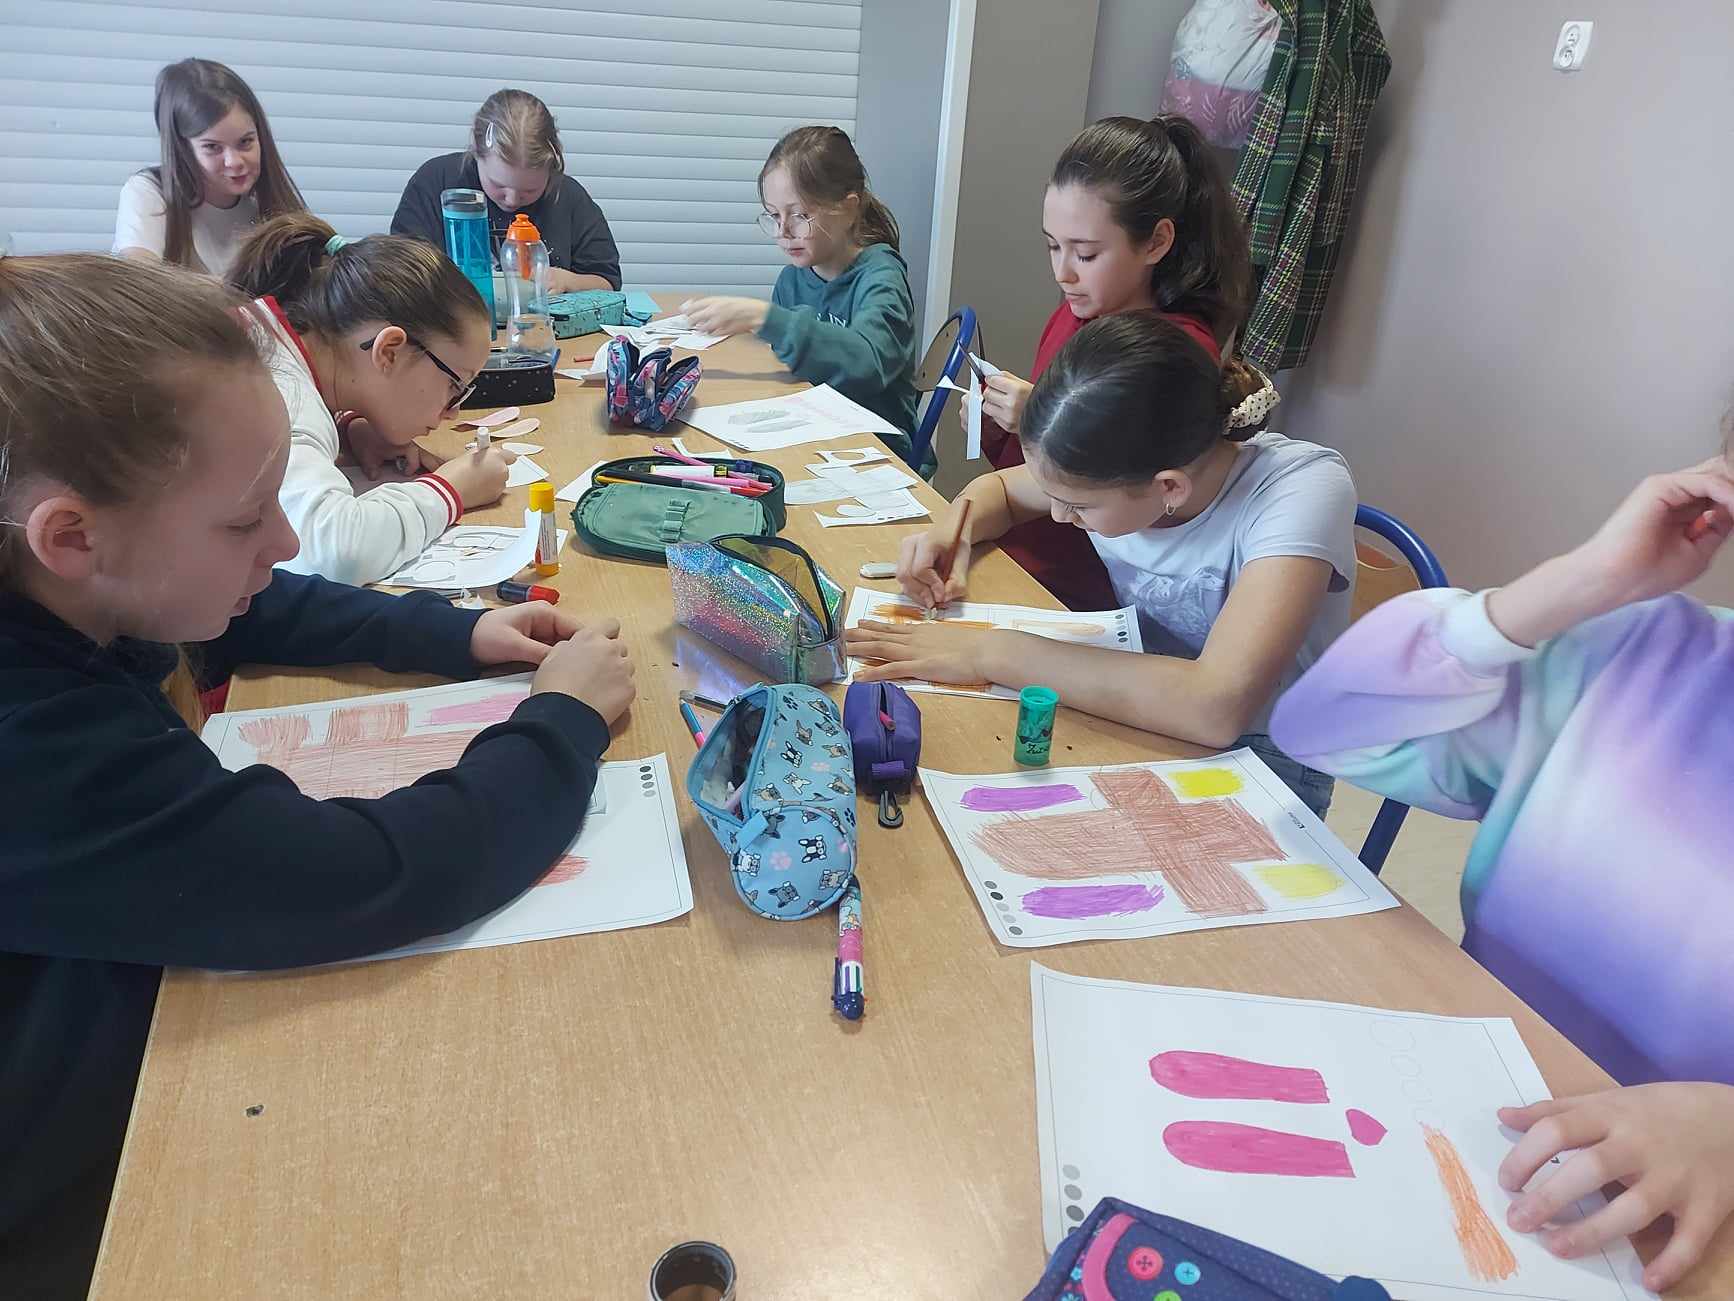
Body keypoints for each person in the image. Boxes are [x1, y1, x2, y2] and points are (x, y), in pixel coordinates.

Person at [0, 252, 636, 1297]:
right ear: (72, 535)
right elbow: (364, 873)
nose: (287, 538)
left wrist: (457, 633)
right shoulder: (32, 747)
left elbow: (259, 604)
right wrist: (561, 721)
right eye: (245, 518)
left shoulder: (71, 584)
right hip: (71, 1203)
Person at [1271, 456, 1734, 1292]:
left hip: (1665, 1240)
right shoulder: (1639, 650)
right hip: (1461, 1130)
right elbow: (1325, 727)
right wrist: (1578, 583)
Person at [847, 312, 1352, 816]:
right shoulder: (1123, 465)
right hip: (1135, 700)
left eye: (1078, 506)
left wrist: (991, 651)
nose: (1058, 515)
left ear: (1169, 487)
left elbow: (1215, 706)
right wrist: (952, 531)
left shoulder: (1301, 492)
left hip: (1264, 753)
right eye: (1054, 496)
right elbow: (1002, 489)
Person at [973, 115, 1252, 610]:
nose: (1062, 273)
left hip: (1090, 586)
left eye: (1085, 254)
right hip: (1022, 548)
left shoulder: (1176, 356)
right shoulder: (1074, 314)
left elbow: (1140, 509)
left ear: (1157, 242)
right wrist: (1001, 421)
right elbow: (1031, 476)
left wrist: (1040, 414)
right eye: (1052, 246)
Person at [229, 213, 513, 586]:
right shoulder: (277, 397)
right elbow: (333, 553)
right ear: (389, 351)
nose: (452, 412)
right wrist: (450, 491)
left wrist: (347, 430)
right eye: (454, 385)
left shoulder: (272, 342)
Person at [680, 126, 925, 473]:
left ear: (848, 210)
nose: (783, 232)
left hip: (878, 451)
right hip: (811, 433)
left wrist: (764, 318)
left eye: (800, 215)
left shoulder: (881, 275)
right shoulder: (792, 279)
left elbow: (868, 364)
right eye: (774, 215)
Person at [391, 88, 620, 292]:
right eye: (498, 185)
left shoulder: (569, 197)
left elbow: (608, 281)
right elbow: (401, 278)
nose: (512, 200)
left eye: (530, 190)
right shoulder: (435, 183)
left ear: (552, 168)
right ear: (476, 153)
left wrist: (569, 281)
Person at [113, 58, 305, 279]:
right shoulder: (148, 192)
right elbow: (137, 275)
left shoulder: (265, 207)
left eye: (245, 142)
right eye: (213, 147)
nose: (234, 161)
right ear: (182, 149)